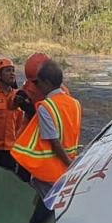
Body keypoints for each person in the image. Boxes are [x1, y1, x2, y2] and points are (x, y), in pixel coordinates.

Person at [11, 60, 81, 196]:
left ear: (47, 83)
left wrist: (69, 165)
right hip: (67, 166)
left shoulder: (46, 107)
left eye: (39, 83)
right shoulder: (75, 103)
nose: (37, 87)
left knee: (44, 208)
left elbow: (54, 142)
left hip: (49, 170)